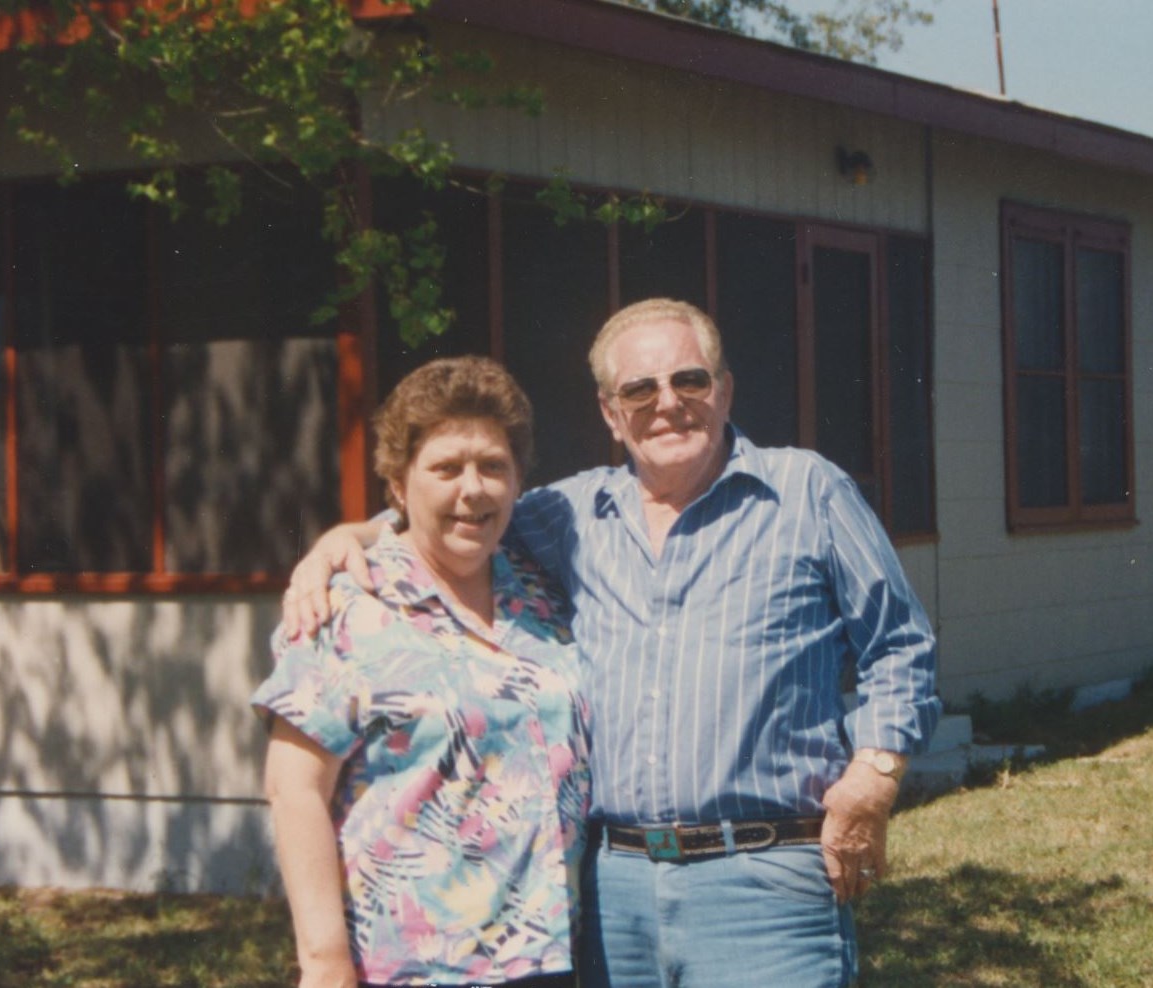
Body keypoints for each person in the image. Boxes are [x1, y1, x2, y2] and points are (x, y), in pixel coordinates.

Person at [284, 298, 940, 987]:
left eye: (690, 380)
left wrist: (872, 777)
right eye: (639, 389)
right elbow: (455, 509)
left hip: (763, 882)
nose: (668, 404)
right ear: (609, 411)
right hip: (607, 893)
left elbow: (899, 644)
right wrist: (344, 539)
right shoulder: (568, 515)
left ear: (724, 389)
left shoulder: (806, 491)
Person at [253, 356, 588, 988]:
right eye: (445, 468)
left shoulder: (541, 599)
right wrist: (324, 964)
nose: (474, 488)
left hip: (550, 960)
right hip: (410, 967)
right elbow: (294, 790)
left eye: (494, 466)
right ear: (399, 486)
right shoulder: (347, 609)